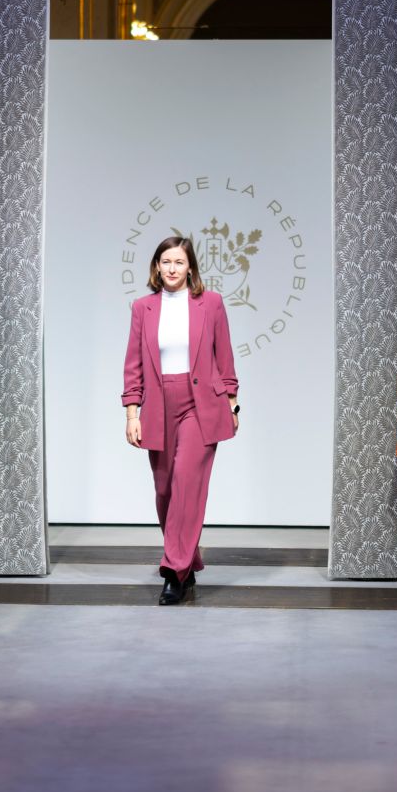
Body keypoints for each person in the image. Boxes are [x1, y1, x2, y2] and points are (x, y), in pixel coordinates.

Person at [121, 235, 239, 605]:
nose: (172, 268)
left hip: (200, 404)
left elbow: (225, 357)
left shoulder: (211, 304)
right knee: (166, 491)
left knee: (187, 483)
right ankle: (188, 562)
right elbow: (134, 364)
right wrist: (132, 413)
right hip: (158, 405)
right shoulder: (143, 308)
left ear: (191, 268)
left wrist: (233, 404)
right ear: (157, 266)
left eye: (180, 262)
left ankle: (173, 571)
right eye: (166, 261)